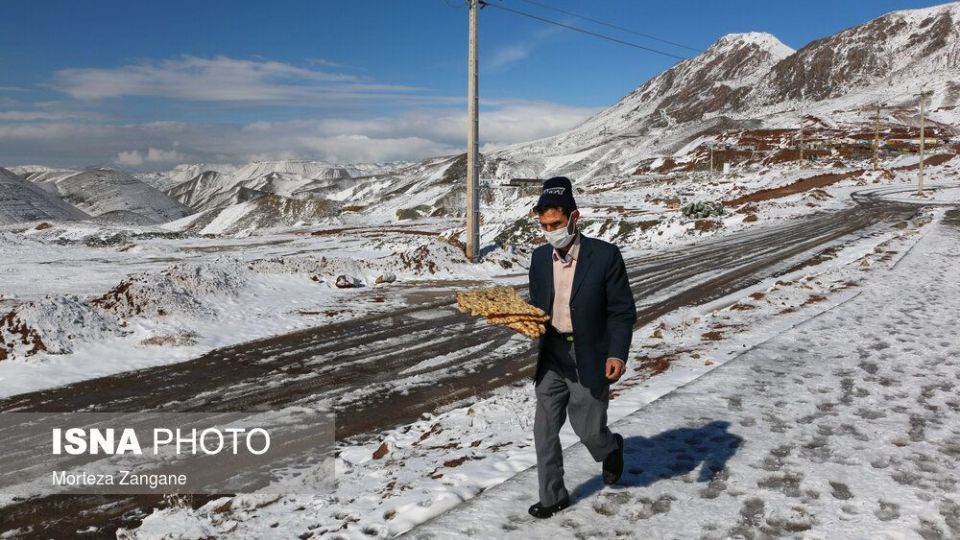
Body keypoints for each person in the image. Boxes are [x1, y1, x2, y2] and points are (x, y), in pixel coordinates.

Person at [526, 176, 637, 518]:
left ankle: (611, 447)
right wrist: (526, 321)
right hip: (552, 355)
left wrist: (617, 353)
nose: (550, 231)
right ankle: (553, 497)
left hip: (589, 354)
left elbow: (621, 311)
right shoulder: (539, 259)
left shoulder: (605, 256)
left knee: (589, 431)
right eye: (544, 226)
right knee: (544, 430)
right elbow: (538, 305)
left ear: (574, 218)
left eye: (556, 224)